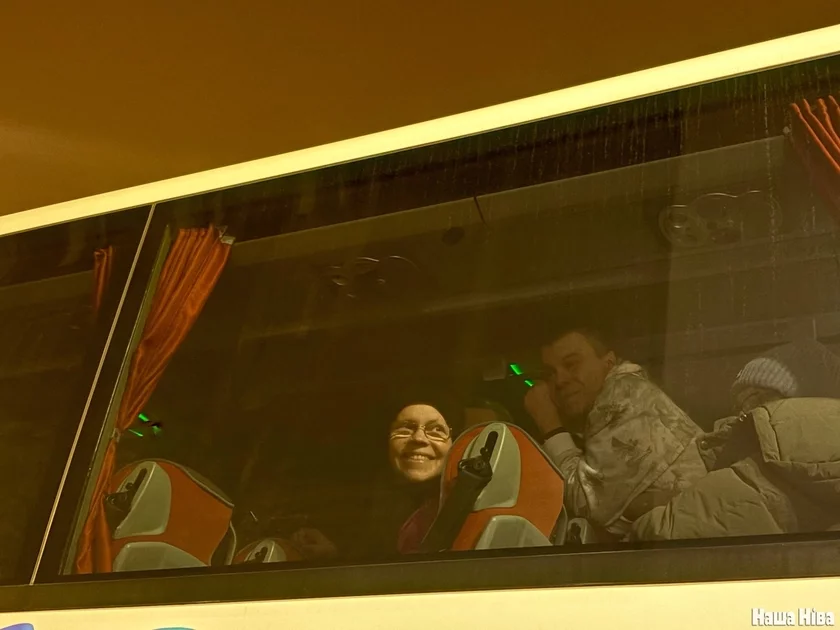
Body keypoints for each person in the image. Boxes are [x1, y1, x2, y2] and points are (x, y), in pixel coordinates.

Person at [629, 339, 840, 541]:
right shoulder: (804, 474)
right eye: (738, 405)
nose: (743, 414)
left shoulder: (763, 476)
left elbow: (654, 535)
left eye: (757, 399)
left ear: (803, 403)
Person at [523, 326, 707, 538]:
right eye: (550, 373)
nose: (560, 380)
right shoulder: (613, 406)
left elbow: (586, 504)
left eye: (571, 364)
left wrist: (549, 425)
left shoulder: (623, 394)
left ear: (608, 362)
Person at [291, 390, 461, 558]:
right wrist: (332, 554)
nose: (418, 438)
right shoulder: (370, 504)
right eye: (405, 428)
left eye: (436, 430)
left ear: (457, 443)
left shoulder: (466, 507)